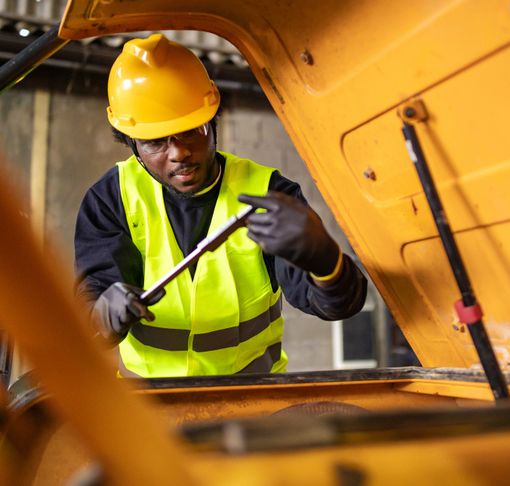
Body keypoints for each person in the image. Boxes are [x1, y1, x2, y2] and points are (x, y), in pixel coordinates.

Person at [75, 33, 367, 377]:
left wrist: (327, 262)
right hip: (157, 408)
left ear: (213, 121)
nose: (179, 152)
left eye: (190, 131)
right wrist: (99, 317)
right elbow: (89, 322)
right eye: (155, 142)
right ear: (131, 144)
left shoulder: (269, 194)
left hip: (252, 402)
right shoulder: (111, 201)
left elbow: (335, 306)